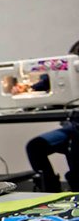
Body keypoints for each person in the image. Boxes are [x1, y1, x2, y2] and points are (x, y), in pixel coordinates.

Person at [25, 40, 79, 192]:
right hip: (72, 126)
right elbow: (41, 85)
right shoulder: (64, 71)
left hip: (75, 130)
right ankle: (51, 191)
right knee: (36, 146)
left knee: (75, 143)